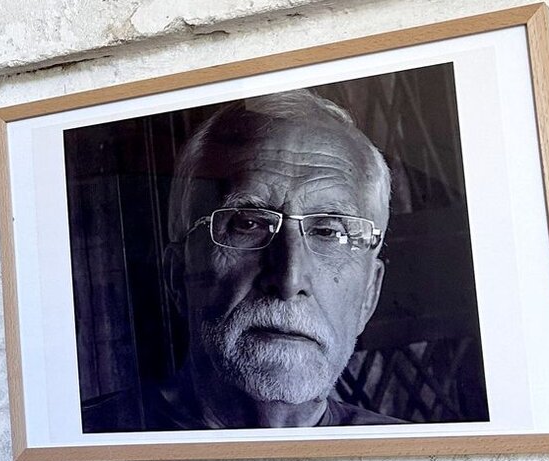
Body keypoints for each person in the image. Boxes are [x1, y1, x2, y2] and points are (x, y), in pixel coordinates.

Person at [103, 89, 403, 430]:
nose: (289, 280)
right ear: (178, 276)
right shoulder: (90, 440)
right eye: (248, 224)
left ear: (369, 295)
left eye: (328, 232)